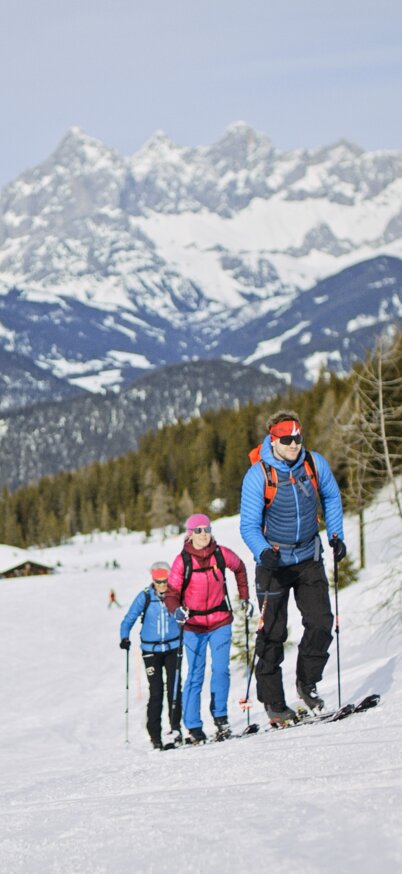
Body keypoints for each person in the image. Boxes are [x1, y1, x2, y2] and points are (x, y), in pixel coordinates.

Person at [240, 410, 346, 726]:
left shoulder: (314, 464)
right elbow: (247, 525)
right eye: (287, 439)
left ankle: (307, 683)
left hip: (308, 557)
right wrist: (262, 551)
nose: (294, 444)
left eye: (298, 437)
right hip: (273, 562)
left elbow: (331, 496)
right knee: (272, 633)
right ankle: (274, 704)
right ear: (273, 439)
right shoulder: (258, 475)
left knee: (321, 621)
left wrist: (336, 534)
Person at [165, 513, 252, 743]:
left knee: (221, 670)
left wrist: (244, 596)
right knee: (195, 674)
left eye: (207, 529)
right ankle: (193, 726)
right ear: (190, 534)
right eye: (198, 530)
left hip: (220, 621)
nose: (203, 534)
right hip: (192, 625)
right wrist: (176, 611)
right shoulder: (182, 561)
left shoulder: (221, 554)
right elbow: (171, 593)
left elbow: (240, 567)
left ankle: (221, 718)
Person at [119, 561, 182, 750]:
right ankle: (155, 735)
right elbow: (129, 618)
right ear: (153, 580)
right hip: (151, 651)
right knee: (156, 693)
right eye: (158, 581)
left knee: (174, 690)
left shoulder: (175, 594)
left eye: (165, 581)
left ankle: (175, 729)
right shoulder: (145, 596)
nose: (162, 585)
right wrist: (124, 637)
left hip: (173, 648)